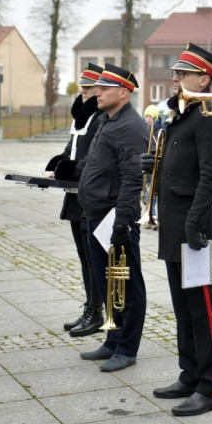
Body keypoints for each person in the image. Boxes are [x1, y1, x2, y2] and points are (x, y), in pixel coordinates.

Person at [142, 43, 212, 416]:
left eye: (183, 74)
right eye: (175, 73)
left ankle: (211, 387)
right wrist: (153, 164)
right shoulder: (181, 114)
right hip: (174, 221)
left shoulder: (208, 116)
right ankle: (189, 373)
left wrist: (195, 220)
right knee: (181, 306)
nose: (174, 78)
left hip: (193, 223)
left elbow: (210, 176)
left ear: (205, 78)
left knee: (202, 309)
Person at [77, 64, 149, 372]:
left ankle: (127, 348)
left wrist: (122, 221)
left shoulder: (130, 126)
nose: (97, 92)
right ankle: (113, 339)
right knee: (108, 282)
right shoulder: (108, 120)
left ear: (123, 92)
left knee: (127, 283)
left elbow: (133, 178)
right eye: (97, 87)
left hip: (115, 218)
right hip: (97, 214)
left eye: (104, 89)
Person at [53, 63, 105, 338]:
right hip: (75, 193)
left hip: (90, 191)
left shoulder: (100, 117)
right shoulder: (80, 116)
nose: (84, 92)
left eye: (89, 87)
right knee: (83, 256)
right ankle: (90, 306)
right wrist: (58, 163)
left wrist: (71, 168)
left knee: (93, 255)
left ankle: (97, 311)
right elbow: (71, 147)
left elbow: (93, 157)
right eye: (82, 87)